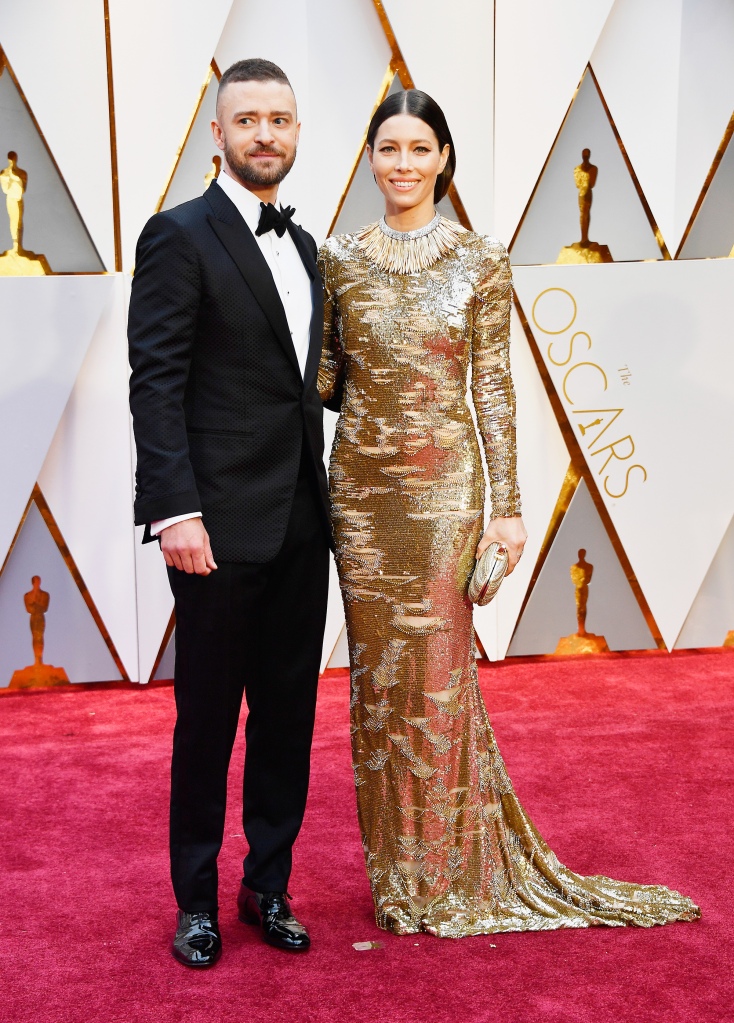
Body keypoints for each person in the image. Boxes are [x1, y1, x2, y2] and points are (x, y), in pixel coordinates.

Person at [318, 89, 700, 937]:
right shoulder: (336, 259)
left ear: (444, 159)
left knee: (440, 680)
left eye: (420, 148)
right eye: (388, 147)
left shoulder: (482, 258)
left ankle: (448, 873)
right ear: (369, 157)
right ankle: (400, 878)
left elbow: (492, 386)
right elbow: (328, 383)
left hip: (446, 495)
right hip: (361, 500)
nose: (403, 163)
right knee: (380, 685)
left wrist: (511, 510)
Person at [129, 59, 331, 966]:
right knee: (207, 721)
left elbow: (306, 390)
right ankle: (198, 901)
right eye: (246, 119)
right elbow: (157, 383)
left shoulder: (310, 247)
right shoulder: (179, 235)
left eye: (279, 119)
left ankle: (268, 886)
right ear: (217, 131)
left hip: (300, 525)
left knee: (289, 716)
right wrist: (175, 510)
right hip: (211, 529)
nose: (264, 134)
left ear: (296, 131)